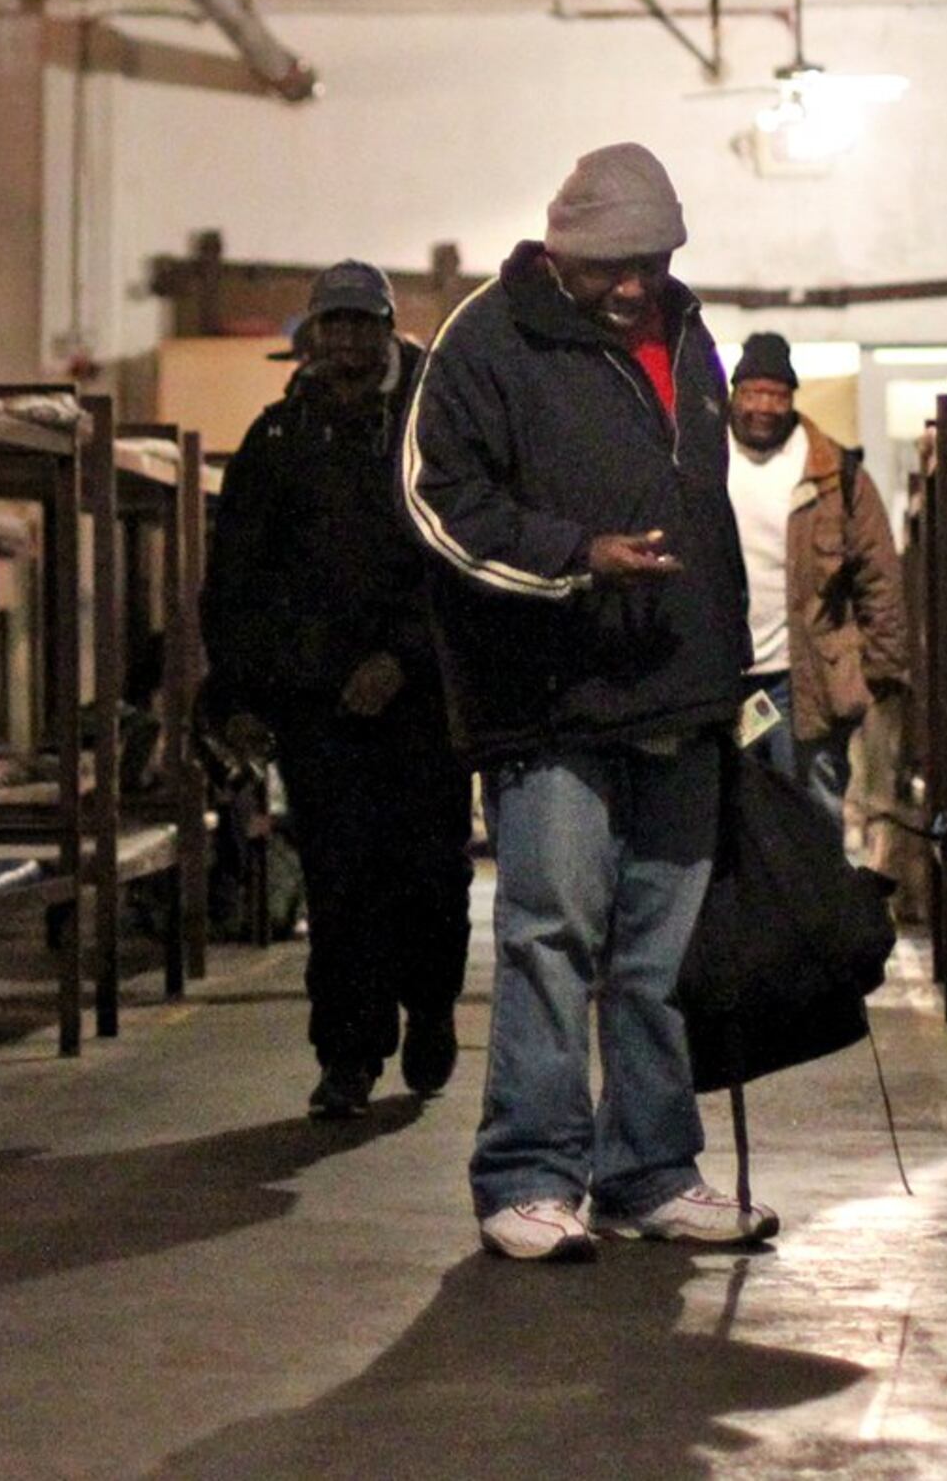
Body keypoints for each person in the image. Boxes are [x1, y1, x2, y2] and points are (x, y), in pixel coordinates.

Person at [403, 142, 772, 1262]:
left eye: (651, 262)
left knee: (659, 958)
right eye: (611, 266)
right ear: (561, 251)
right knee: (549, 940)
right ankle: (528, 1172)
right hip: (553, 699)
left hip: (680, 692)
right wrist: (575, 556)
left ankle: (649, 1170)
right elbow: (437, 500)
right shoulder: (488, 337)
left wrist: (728, 673)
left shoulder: (691, 334)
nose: (632, 285)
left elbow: (700, 507)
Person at [201, 259, 473, 1120]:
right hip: (321, 711)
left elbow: (459, 566)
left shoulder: (436, 431)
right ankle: (347, 1054)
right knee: (340, 884)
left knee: (431, 877)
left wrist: (404, 657)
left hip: (420, 705)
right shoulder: (277, 441)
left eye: (365, 322)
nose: (349, 337)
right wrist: (240, 694)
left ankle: (429, 1008)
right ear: (313, 335)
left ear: (388, 328)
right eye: (335, 323)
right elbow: (237, 579)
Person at [722, 332, 901, 827]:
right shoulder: (704, 463)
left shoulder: (834, 471)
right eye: (752, 393)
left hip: (808, 681)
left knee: (813, 816)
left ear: (792, 399)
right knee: (727, 823)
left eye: (776, 395)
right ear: (734, 395)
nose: (763, 406)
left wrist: (880, 673)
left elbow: (878, 575)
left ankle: (815, 906)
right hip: (721, 680)